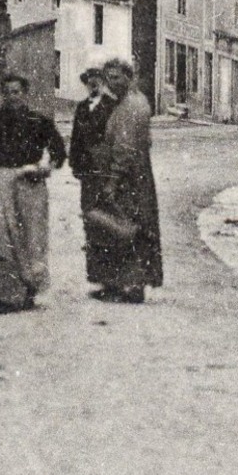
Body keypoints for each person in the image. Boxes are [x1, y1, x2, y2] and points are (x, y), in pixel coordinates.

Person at [0, 74, 66, 313]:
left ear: (25, 94)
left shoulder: (39, 121)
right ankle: (5, 293)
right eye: (7, 92)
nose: (12, 96)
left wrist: (43, 169)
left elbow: (58, 152)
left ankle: (28, 290)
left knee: (31, 236)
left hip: (29, 183)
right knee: (0, 235)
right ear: (1, 94)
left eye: (17, 91)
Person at [86, 57, 163, 304]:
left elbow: (125, 147)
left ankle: (131, 284)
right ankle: (121, 283)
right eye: (108, 77)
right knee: (125, 226)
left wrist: (113, 181)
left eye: (117, 77)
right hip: (135, 173)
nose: (112, 82)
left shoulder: (132, 105)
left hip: (129, 177)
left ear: (129, 77)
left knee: (128, 227)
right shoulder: (130, 102)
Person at [68, 67, 117, 217]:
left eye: (97, 81)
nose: (93, 84)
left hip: (106, 166)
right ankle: (89, 239)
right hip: (87, 166)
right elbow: (76, 136)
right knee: (88, 207)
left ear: (103, 83)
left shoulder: (113, 106)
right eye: (90, 82)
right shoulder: (82, 107)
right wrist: (74, 163)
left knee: (107, 209)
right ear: (86, 84)